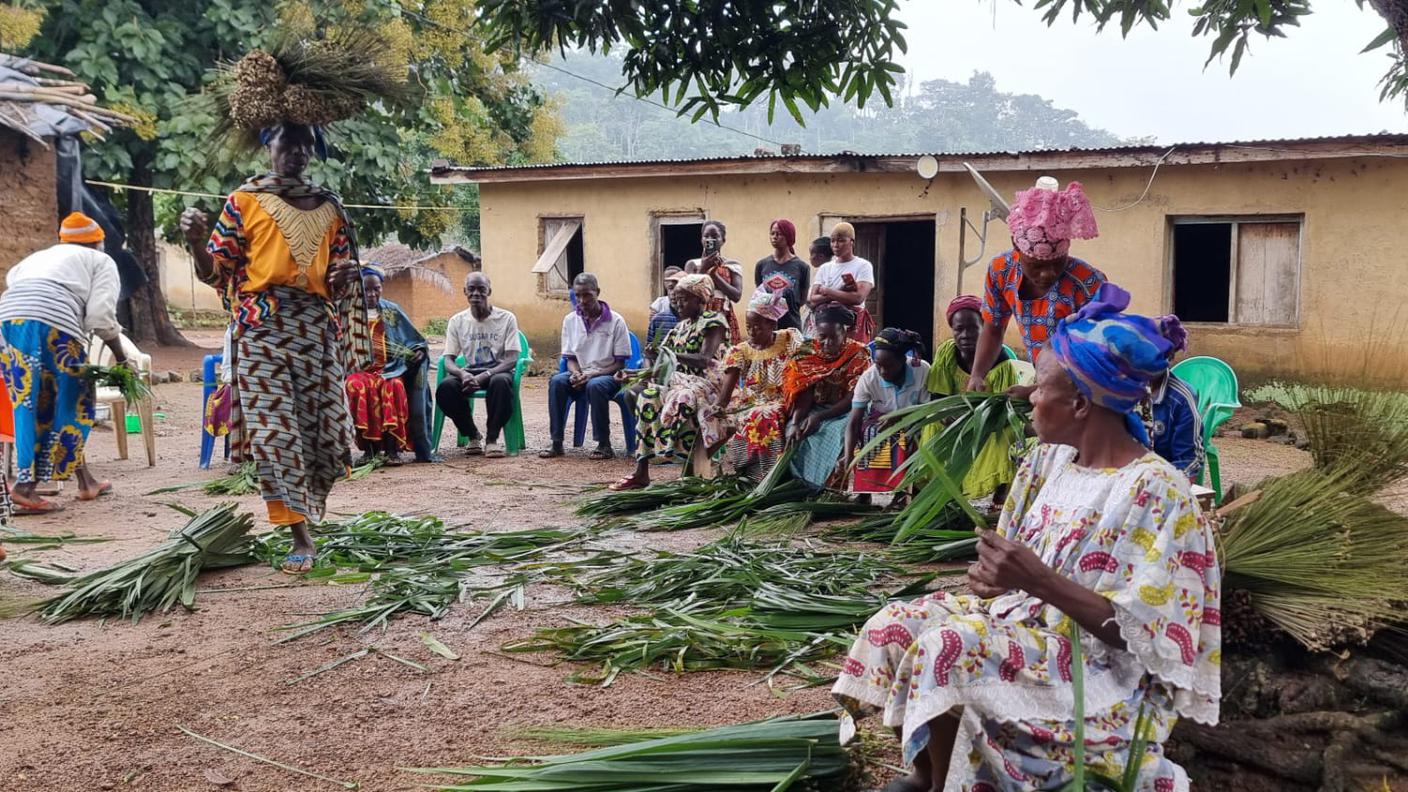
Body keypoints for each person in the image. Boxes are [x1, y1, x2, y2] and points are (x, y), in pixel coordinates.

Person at [833, 283, 1221, 792]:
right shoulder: (1047, 460)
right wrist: (997, 577)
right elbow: (1011, 564)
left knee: (948, 646)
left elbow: (1149, 634)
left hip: (1100, 670)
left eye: (1040, 386)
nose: (1029, 396)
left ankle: (950, 783)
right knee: (899, 621)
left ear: (1081, 404)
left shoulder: (1158, 492)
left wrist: (1036, 579)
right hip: (1027, 622)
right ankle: (929, 773)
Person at [180, 123, 369, 574]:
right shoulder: (243, 202)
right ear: (269, 145)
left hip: (314, 332)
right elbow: (217, 273)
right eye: (288, 143)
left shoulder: (331, 207)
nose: (297, 152)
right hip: (261, 329)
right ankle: (299, 535)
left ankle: (307, 510)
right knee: (274, 434)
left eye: (306, 145)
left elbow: (341, 276)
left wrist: (342, 280)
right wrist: (194, 241)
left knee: (320, 435)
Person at [0, 212, 126, 512]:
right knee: (74, 402)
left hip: (7, 321)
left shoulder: (36, 259)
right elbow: (100, 317)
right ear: (98, 243)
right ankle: (25, 488)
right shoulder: (101, 261)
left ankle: (86, 482)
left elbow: (13, 283)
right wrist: (121, 359)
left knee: (32, 402)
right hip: (52, 323)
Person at [966, 178, 1107, 393]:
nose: (1047, 273)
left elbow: (1094, 363)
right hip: (1044, 384)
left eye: (1057, 262)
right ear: (1017, 247)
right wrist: (977, 375)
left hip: (1084, 394)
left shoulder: (1088, 284)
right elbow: (994, 328)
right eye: (1035, 265)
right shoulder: (1001, 271)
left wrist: (1033, 392)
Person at [609, 273, 728, 490]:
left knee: (684, 399)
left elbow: (704, 360)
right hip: (678, 382)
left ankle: (688, 468)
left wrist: (669, 354)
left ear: (700, 299)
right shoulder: (679, 327)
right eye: (675, 298)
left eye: (684, 298)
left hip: (706, 384)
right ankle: (641, 471)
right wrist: (633, 374)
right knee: (647, 396)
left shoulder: (714, 321)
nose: (677, 302)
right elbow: (663, 365)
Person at [928, 295, 1023, 500]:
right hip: (953, 416)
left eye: (972, 328)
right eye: (958, 329)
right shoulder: (947, 353)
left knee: (1002, 435)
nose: (965, 335)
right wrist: (948, 416)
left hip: (988, 424)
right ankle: (935, 487)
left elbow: (1003, 409)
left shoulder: (1001, 364)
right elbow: (937, 395)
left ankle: (999, 488)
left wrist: (975, 423)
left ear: (985, 329)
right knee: (930, 426)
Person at [710, 284, 805, 478]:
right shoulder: (740, 351)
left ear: (773, 325)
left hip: (782, 399)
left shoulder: (788, 339)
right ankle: (750, 473)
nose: (752, 332)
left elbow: (804, 365)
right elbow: (727, 391)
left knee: (764, 416)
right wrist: (719, 406)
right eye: (749, 327)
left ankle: (771, 473)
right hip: (751, 401)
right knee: (751, 416)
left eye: (758, 327)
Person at [345, 265, 435, 465]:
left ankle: (393, 450)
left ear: (381, 287)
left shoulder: (392, 312)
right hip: (361, 371)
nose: (371, 294)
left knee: (394, 386)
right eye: (366, 289)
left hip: (391, 368)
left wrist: (418, 351)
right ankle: (370, 450)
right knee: (356, 386)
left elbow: (415, 340)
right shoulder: (350, 314)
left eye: (376, 289)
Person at [783, 303, 872, 489]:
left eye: (834, 337)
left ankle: (828, 488)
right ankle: (800, 486)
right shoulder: (806, 352)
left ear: (845, 333)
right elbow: (804, 391)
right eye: (822, 337)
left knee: (836, 433)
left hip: (847, 410)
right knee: (794, 433)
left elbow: (853, 398)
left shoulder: (858, 354)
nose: (827, 343)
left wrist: (820, 417)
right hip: (812, 407)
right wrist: (798, 421)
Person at [544, 273, 632, 459]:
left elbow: (619, 363)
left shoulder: (616, 321)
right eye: (578, 295)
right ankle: (556, 442)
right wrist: (576, 374)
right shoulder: (570, 320)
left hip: (609, 376)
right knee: (557, 382)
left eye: (587, 295)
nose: (582, 300)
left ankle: (603, 444)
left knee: (596, 385)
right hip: (582, 373)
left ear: (597, 293)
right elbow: (570, 358)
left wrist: (592, 375)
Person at [437, 272, 521, 458]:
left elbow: (512, 358)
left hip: (498, 370)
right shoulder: (457, 321)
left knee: (501, 384)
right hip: (470, 371)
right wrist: (462, 375)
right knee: (446, 388)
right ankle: (473, 435)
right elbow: (448, 359)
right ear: (465, 291)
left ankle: (492, 440)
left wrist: (486, 375)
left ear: (489, 291)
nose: (476, 294)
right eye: (471, 289)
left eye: (481, 289)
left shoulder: (506, 318)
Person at [844, 328, 930, 493]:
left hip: (915, 418)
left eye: (889, 366)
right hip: (880, 420)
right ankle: (865, 491)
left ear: (903, 359)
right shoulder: (869, 377)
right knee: (867, 434)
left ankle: (905, 490)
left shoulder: (922, 370)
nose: (883, 372)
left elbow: (928, 408)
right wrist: (849, 456)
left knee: (908, 437)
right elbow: (854, 422)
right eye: (878, 365)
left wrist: (899, 418)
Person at [1141, 339, 1205, 481]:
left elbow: (1189, 459)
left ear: (1170, 357)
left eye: (1158, 355)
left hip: (1164, 478)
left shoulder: (1181, 399)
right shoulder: (1123, 389)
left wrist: (1163, 484)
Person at [807, 222, 876, 342]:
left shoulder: (863, 266)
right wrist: (841, 291)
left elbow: (858, 298)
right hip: (826, 325)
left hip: (852, 325)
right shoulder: (825, 268)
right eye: (832, 241)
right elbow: (813, 299)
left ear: (852, 242)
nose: (835, 245)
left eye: (841, 240)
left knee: (852, 358)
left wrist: (827, 291)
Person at [684, 220, 744, 343]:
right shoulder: (693, 265)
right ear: (701, 239)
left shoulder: (732, 265)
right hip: (699, 314)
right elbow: (686, 291)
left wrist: (714, 275)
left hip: (722, 314)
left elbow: (736, 295)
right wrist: (703, 269)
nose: (710, 239)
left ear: (723, 240)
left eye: (715, 236)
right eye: (706, 236)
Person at [753, 219, 809, 332]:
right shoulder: (761, 265)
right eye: (772, 233)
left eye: (779, 234)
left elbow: (802, 299)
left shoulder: (802, 267)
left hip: (791, 326)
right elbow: (760, 294)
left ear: (789, 236)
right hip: (766, 327)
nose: (775, 237)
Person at [646, 266, 682, 349]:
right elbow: (650, 353)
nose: (673, 293)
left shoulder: (698, 322)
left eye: (677, 287)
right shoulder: (658, 320)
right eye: (670, 288)